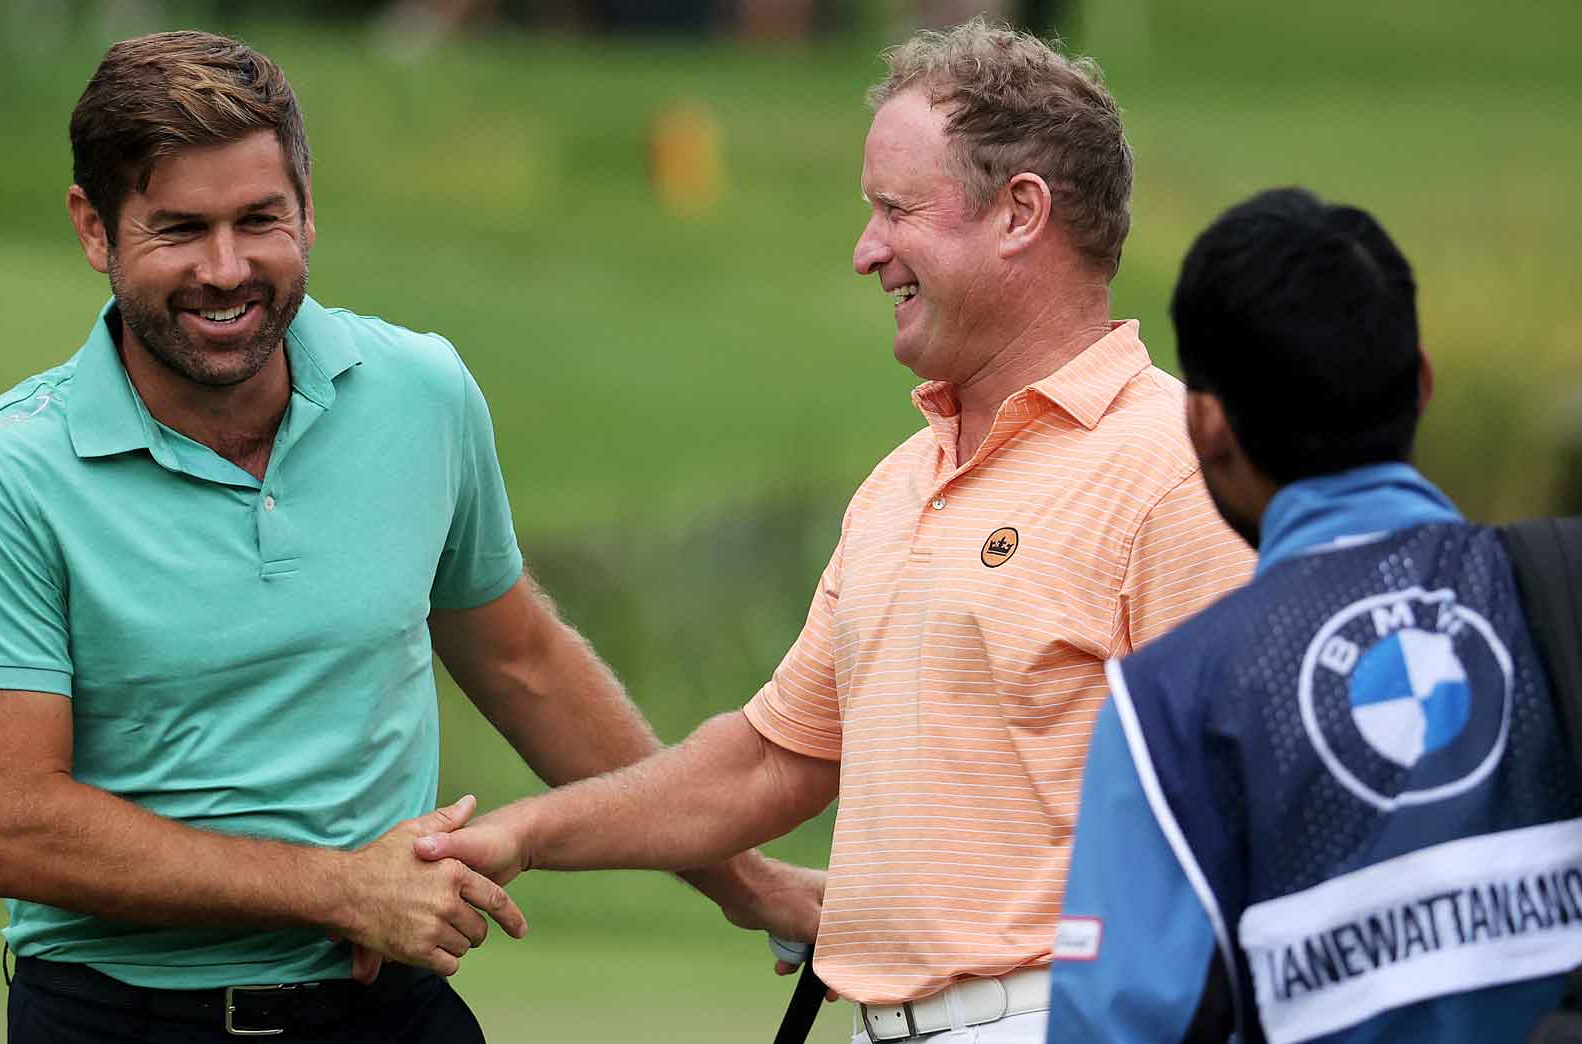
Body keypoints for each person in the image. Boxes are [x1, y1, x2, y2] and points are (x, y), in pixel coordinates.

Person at [0, 30, 818, 1043]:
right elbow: (15, 827)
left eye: (259, 219)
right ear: (95, 228)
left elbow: (523, 663)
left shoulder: (420, 392)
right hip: (119, 1021)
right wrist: (341, 890)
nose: (226, 269)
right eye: (180, 230)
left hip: (390, 1010)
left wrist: (747, 884)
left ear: (307, 210)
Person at [414, 19, 1254, 1043]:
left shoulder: (1176, 472)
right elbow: (771, 763)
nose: (866, 251)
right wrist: (527, 833)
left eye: (897, 210)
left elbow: (1257, 805)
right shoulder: (903, 484)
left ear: (1020, 212)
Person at [1046, 188, 1582, 1042]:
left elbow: (1113, 1028)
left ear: (1206, 423)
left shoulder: (1166, 708)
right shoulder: (1580, 587)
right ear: (1422, 382)